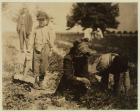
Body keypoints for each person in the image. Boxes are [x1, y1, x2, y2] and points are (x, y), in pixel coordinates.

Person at [32, 11, 55, 89]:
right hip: (36, 48)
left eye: (43, 20)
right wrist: (29, 49)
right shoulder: (35, 29)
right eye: (39, 20)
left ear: (46, 20)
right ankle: (35, 82)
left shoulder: (49, 29)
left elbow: (51, 40)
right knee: (35, 65)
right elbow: (31, 39)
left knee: (44, 66)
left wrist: (51, 49)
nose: (41, 22)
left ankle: (41, 81)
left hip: (46, 48)